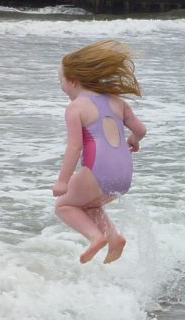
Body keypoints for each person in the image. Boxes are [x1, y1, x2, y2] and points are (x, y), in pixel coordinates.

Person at [52, 40, 146, 264]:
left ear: (74, 80)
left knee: (64, 205)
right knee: (89, 204)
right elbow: (141, 130)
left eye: (61, 81)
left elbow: (74, 146)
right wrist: (133, 139)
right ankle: (114, 239)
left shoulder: (75, 107)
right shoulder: (117, 101)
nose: (61, 87)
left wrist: (62, 181)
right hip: (123, 174)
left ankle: (96, 237)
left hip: (98, 170)